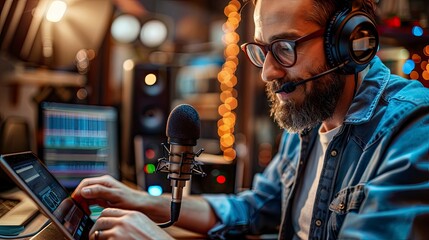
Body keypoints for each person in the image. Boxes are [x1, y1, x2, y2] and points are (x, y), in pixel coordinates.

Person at [72, 0, 429, 239]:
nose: (267, 73)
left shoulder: (414, 127)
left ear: (351, 42)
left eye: (285, 48)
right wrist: (141, 201)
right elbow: (253, 207)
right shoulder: (307, 121)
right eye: (262, 50)